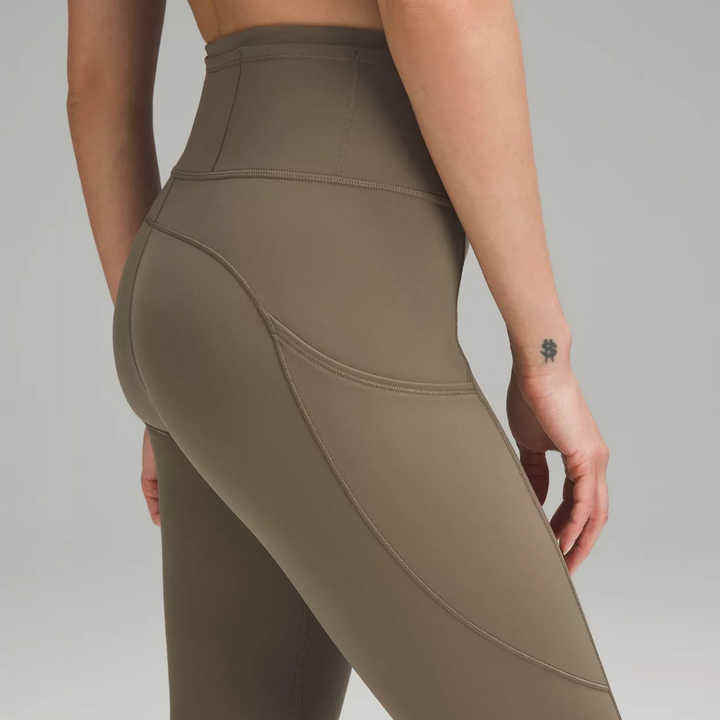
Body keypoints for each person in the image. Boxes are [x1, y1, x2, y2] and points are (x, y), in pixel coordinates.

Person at [67, 1, 622, 718]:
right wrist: (546, 354)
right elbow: (445, 11)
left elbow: (96, 91)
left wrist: (176, 375)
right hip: (320, 285)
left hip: (183, 262)